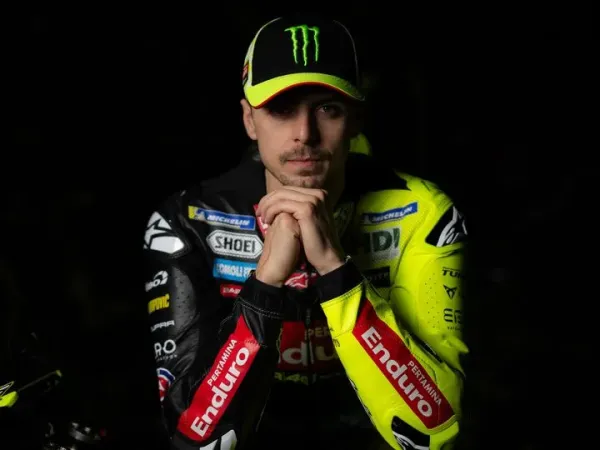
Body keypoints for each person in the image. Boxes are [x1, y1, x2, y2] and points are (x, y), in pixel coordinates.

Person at [142, 14, 468, 450]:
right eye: (281, 109)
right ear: (249, 120)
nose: (305, 134)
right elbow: (197, 439)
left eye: (328, 108)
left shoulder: (422, 215)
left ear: (356, 119)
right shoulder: (189, 221)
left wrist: (336, 272)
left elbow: (434, 433)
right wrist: (265, 285)